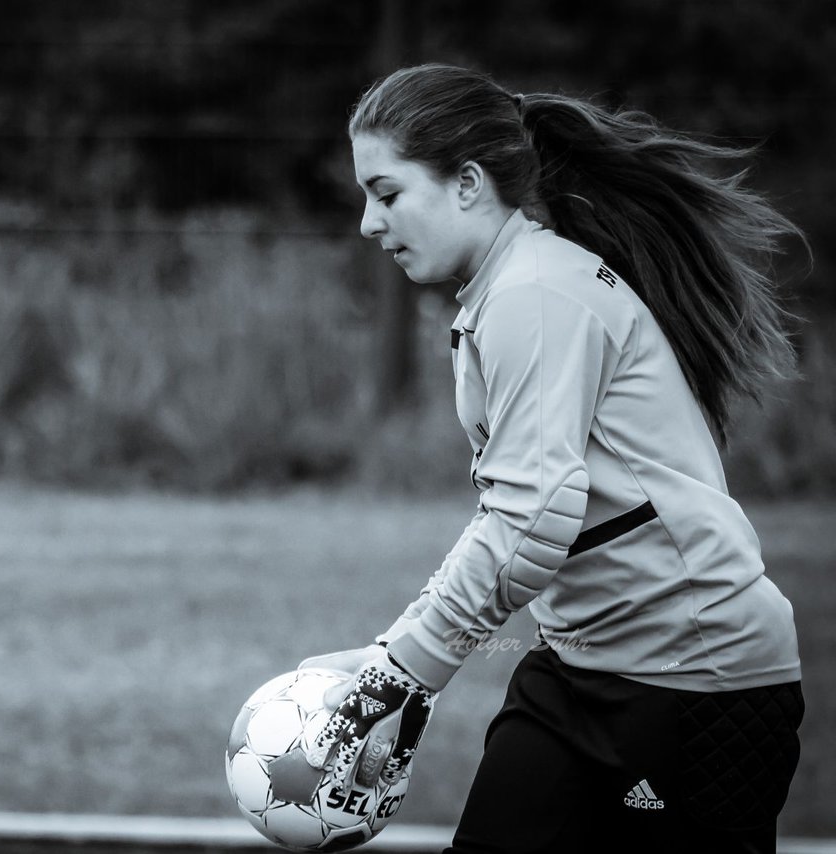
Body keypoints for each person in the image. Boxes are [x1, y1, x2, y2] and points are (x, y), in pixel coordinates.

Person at [300, 64, 805, 854]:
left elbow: (530, 519)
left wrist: (402, 671)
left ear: (467, 184)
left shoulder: (537, 294)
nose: (368, 222)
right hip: (577, 666)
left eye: (387, 193)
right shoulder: (505, 290)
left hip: (695, 684)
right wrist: (393, 661)